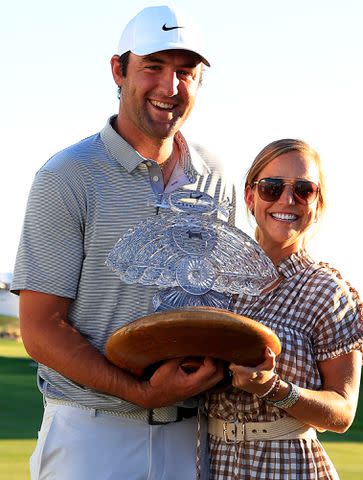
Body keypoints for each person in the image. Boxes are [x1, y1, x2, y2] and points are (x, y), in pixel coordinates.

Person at [11, 5, 234, 480]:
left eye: (185, 72)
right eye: (153, 67)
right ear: (118, 70)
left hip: (191, 437)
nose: (169, 87)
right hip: (92, 436)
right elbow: (40, 328)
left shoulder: (216, 175)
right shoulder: (66, 176)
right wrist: (139, 392)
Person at [206, 139, 363, 479]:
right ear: (250, 197)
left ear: (318, 204)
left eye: (304, 190)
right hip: (210, 460)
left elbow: (342, 413)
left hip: (287, 466)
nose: (287, 200)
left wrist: (273, 388)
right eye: (272, 188)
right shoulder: (215, 281)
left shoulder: (328, 291)